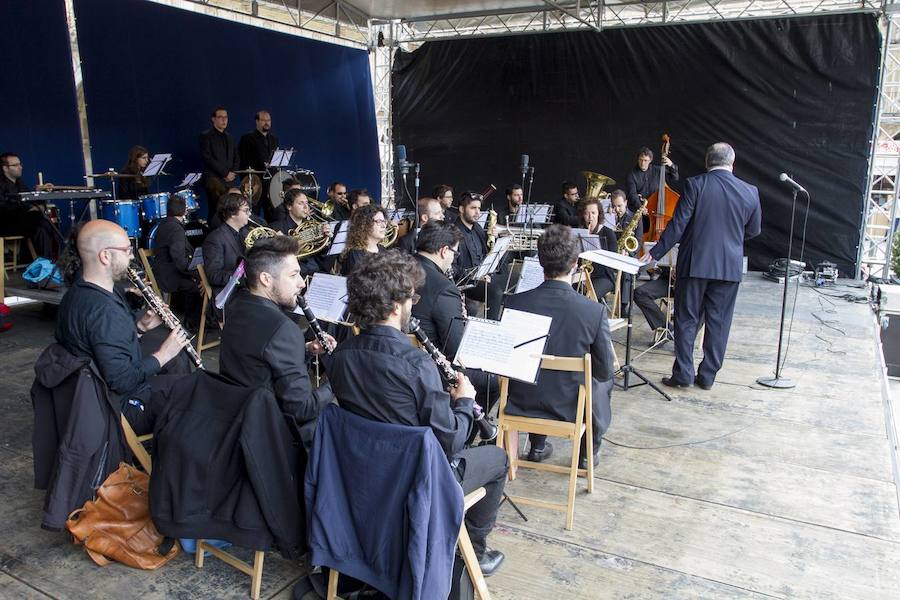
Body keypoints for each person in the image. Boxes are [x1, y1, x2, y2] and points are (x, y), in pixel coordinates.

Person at [326, 250, 507, 576]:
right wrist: (464, 401)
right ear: (396, 306)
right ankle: (473, 555)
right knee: (497, 459)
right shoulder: (416, 364)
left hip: (362, 474)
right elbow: (450, 440)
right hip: (416, 481)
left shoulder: (340, 356)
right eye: (412, 297)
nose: (414, 304)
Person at [643, 142, 761, 390]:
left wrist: (654, 253)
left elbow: (679, 224)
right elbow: (753, 230)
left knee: (686, 319)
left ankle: (683, 374)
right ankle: (707, 377)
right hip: (729, 267)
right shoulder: (750, 191)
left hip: (695, 264)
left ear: (707, 162)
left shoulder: (696, 184)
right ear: (732, 162)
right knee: (719, 323)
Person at [55, 220, 190, 434]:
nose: (132, 256)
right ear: (105, 256)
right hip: (118, 407)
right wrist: (163, 354)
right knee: (194, 392)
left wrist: (139, 327)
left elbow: (103, 343)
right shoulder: (104, 311)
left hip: (95, 395)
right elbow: (122, 381)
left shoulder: (80, 292)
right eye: (127, 250)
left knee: (178, 367)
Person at [505, 224, 615, 468]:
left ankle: (537, 445)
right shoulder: (593, 311)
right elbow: (604, 370)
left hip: (519, 402)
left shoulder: (513, 303)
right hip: (569, 408)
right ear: (575, 262)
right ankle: (587, 452)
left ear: (540, 260)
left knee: (535, 372)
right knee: (603, 380)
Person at [219, 235, 333, 445]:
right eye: (294, 275)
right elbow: (302, 409)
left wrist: (305, 349)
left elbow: (260, 360)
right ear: (266, 279)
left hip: (237, 417)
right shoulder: (283, 329)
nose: (301, 283)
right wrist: (336, 379)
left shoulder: (237, 306)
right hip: (273, 436)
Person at [452, 192, 504, 320]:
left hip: (481, 275)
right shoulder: (453, 231)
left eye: (479, 208)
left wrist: (492, 239)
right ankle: (491, 327)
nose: (478, 213)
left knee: (508, 280)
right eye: (473, 208)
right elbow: (453, 267)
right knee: (495, 292)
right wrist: (476, 277)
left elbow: (486, 254)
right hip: (465, 280)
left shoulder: (478, 228)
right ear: (461, 209)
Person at [152, 194, 202, 325]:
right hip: (169, 277)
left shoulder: (163, 225)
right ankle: (192, 324)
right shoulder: (176, 229)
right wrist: (197, 274)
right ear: (185, 210)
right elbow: (180, 261)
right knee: (200, 286)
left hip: (163, 272)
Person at [0, 152, 57, 258]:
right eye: (15, 165)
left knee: (44, 224)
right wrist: (29, 208)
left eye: (20, 164)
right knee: (40, 220)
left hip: (24, 221)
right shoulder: (1, 184)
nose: (20, 167)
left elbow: (30, 201)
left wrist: (40, 195)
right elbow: (3, 207)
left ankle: (49, 261)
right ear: (5, 168)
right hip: (6, 223)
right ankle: (47, 262)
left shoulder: (20, 183)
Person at [271, 188, 330, 276]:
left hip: (317, 271)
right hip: (294, 274)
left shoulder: (313, 226)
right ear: (289, 206)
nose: (306, 207)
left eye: (306, 203)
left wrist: (326, 240)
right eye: (300, 203)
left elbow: (321, 255)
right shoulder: (276, 227)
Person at [202, 193, 249, 298]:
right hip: (230, 295)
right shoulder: (214, 239)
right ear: (232, 213)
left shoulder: (245, 233)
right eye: (246, 211)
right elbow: (214, 275)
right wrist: (245, 278)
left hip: (245, 291)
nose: (249, 214)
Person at [238, 110, 279, 221]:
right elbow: (243, 162)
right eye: (264, 120)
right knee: (253, 213)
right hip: (255, 183)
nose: (267, 123)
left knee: (272, 214)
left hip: (271, 184)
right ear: (257, 121)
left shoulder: (274, 139)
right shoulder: (247, 138)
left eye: (269, 120)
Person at [200, 106, 239, 220]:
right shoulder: (206, 136)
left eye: (226, 117)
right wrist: (225, 173)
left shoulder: (229, 137)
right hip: (214, 180)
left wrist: (232, 172)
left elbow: (236, 157)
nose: (224, 120)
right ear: (213, 119)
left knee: (230, 210)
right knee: (216, 210)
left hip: (229, 180)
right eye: (220, 117)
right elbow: (207, 158)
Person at [577, 198, 619, 300]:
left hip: (603, 277)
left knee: (589, 298)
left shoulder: (608, 233)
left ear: (599, 214)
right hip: (580, 276)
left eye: (593, 213)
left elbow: (613, 260)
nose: (590, 217)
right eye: (587, 213)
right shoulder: (579, 232)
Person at [625, 146, 679, 213]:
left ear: (650, 160)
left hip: (656, 209)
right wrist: (641, 207)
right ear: (638, 159)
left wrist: (671, 165)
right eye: (640, 160)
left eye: (645, 160)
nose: (642, 163)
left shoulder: (657, 170)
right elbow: (632, 194)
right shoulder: (631, 175)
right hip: (639, 210)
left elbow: (675, 178)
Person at [338, 204, 386, 276]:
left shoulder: (382, 249)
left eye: (384, 221)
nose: (384, 226)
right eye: (378, 222)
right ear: (364, 225)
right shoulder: (354, 254)